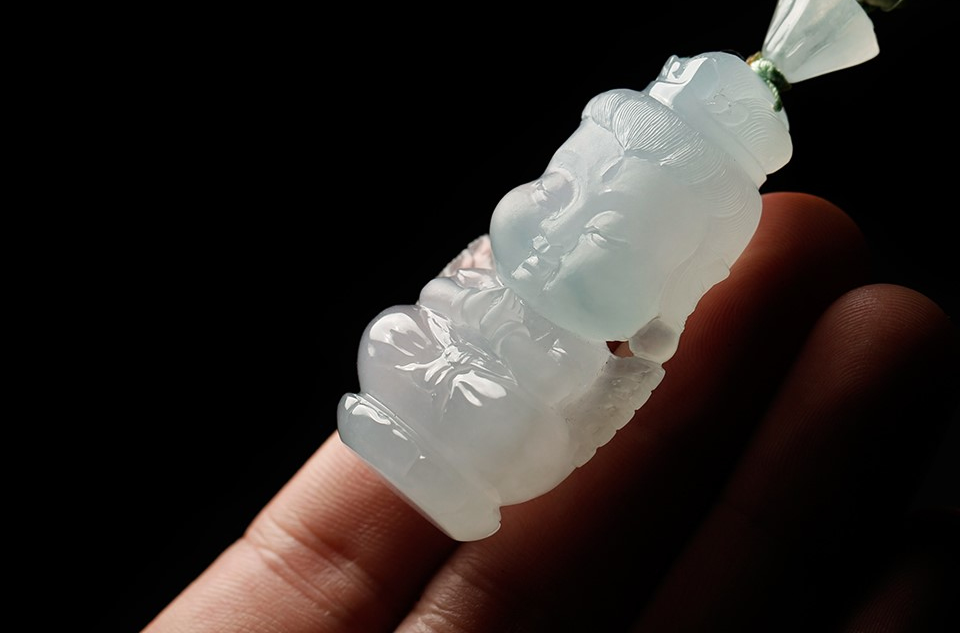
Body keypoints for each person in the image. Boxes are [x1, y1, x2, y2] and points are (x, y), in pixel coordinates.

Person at [143, 193, 958, 632]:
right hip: (433, 361)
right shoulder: (541, 233)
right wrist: (478, 276)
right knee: (394, 333)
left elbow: (606, 394)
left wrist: (628, 373)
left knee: (519, 426)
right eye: (571, 195)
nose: (572, 219)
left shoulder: (635, 300)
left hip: (507, 411)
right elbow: (456, 284)